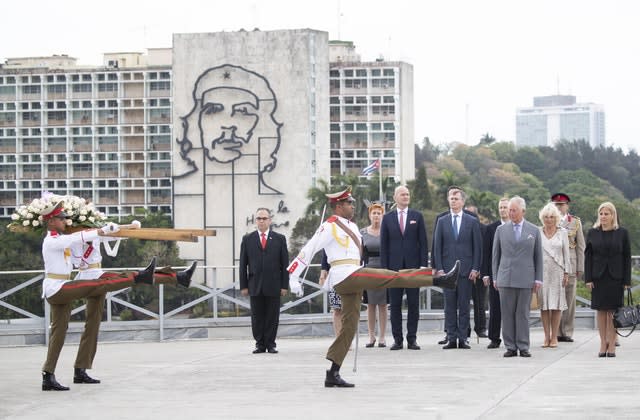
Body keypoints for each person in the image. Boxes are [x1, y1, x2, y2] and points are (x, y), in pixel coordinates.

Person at [287, 186, 459, 387]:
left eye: (352, 202)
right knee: (393, 277)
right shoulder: (330, 226)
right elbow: (310, 248)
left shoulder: (351, 226)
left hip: (354, 274)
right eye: (349, 203)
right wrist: (293, 275)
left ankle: (332, 373)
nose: (353, 206)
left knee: (349, 328)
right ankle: (438, 280)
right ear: (339, 205)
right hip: (346, 275)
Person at [40, 202, 197, 391]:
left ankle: (52, 374)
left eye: (66, 217)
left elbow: (100, 236)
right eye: (60, 218)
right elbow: (77, 238)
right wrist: (97, 232)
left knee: (63, 330)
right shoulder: (53, 240)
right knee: (105, 284)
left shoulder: (70, 237)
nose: (65, 220)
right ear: (50, 221)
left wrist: (126, 228)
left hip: (68, 283)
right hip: (58, 287)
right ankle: (149, 276)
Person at [492, 196, 543, 358]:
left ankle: (523, 345)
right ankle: (510, 346)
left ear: (523, 211)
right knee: (506, 314)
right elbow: (495, 256)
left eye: (514, 210)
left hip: (526, 278)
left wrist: (538, 278)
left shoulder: (534, 230)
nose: (511, 213)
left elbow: (538, 257)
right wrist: (495, 277)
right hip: (505, 277)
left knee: (522, 313)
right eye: (509, 210)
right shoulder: (501, 230)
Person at [380, 185, 428, 351]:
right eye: (402, 194)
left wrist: (423, 265)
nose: (406, 197)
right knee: (395, 305)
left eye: (407, 194)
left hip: (413, 268)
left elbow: (423, 242)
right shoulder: (387, 218)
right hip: (393, 269)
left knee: (414, 304)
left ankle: (412, 339)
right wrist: (385, 268)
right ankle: (397, 339)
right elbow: (383, 245)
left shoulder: (417, 216)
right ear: (395, 197)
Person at [433, 188, 482, 349]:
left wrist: (475, 268)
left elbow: (477, 247)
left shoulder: (472, 221)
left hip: (466, 271)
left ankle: (463, 338)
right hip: (447, 271)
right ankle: (451, 338)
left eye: (456, 198)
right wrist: (438, 268)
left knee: (464, 306)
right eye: (451, 198)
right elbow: (437, 247)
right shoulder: (442, 221)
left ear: (462, 202)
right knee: (449, 306)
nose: (453, 200)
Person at [239, 207, 289, 354]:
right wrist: (244, 285)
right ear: (256, 221)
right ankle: (259, 344)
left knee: (272, 316)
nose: (261, 221)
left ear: (270, 220)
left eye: (264, 218)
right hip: (254, 284)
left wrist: (284, 285)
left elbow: (285, 264)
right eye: (259, 218)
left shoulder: (279, 239)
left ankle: (271, 344)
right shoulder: (248, 239)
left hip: (274, 284)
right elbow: (243, 264)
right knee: (257, 316)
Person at [584, 201, 631, 358]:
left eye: (606, 214)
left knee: (612, 312)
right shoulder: (592, 232)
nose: (603, 216)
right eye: (601, 213)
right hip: (598, 277)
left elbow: (627, 257)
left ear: (613, 216)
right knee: (601, 311)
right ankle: (602, 342)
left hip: (616, 277)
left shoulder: (622, 233)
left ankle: (612, 344)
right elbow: (588, 257)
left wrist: (627, 280)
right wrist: (588, 278)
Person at [551, 193, 585, 343]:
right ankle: (557, 332)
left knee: (570, 300)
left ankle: (567, 331)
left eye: (561, 205)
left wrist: (580, 267)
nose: (559, 207)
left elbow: (581, 246)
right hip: (553, 265)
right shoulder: (549, 220)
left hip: (570, 264)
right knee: (555, 298)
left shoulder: (575, 222)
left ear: (567, 206)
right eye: (556, 205)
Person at [537, 203, 571, 348]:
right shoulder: (537, 231)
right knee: (544, 306)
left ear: (556, 218)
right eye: (546, 217)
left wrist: (567, 272)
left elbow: (566, 255)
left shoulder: (562, 232)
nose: (549, 219)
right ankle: (546, 337)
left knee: (556, 306)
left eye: (551, 217)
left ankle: (554, 337)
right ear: (542, 218)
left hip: (558, 272)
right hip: (542, 272)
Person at [482, 197, 510, 349]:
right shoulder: (491, 228)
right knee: (495, 306)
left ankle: (511, 337)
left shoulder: (515, 227)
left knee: (511, 307)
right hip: (495, 273)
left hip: (512, 273)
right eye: (500, 207)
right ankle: (494, 337)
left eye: (505, 207)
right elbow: (486, 253)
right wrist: (485, 273)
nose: (503, 210)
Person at [361, 201, 388, 348]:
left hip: (384, 269)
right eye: (374, 213)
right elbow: (360, 254)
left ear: (382, 216)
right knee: (370, 305)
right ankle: (371, 336)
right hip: (368, 269)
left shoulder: (387, 231)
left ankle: (382, 337)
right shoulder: (362, 232)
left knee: (383, 305)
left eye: (379, 213)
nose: (376, 216)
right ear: (370, 215)